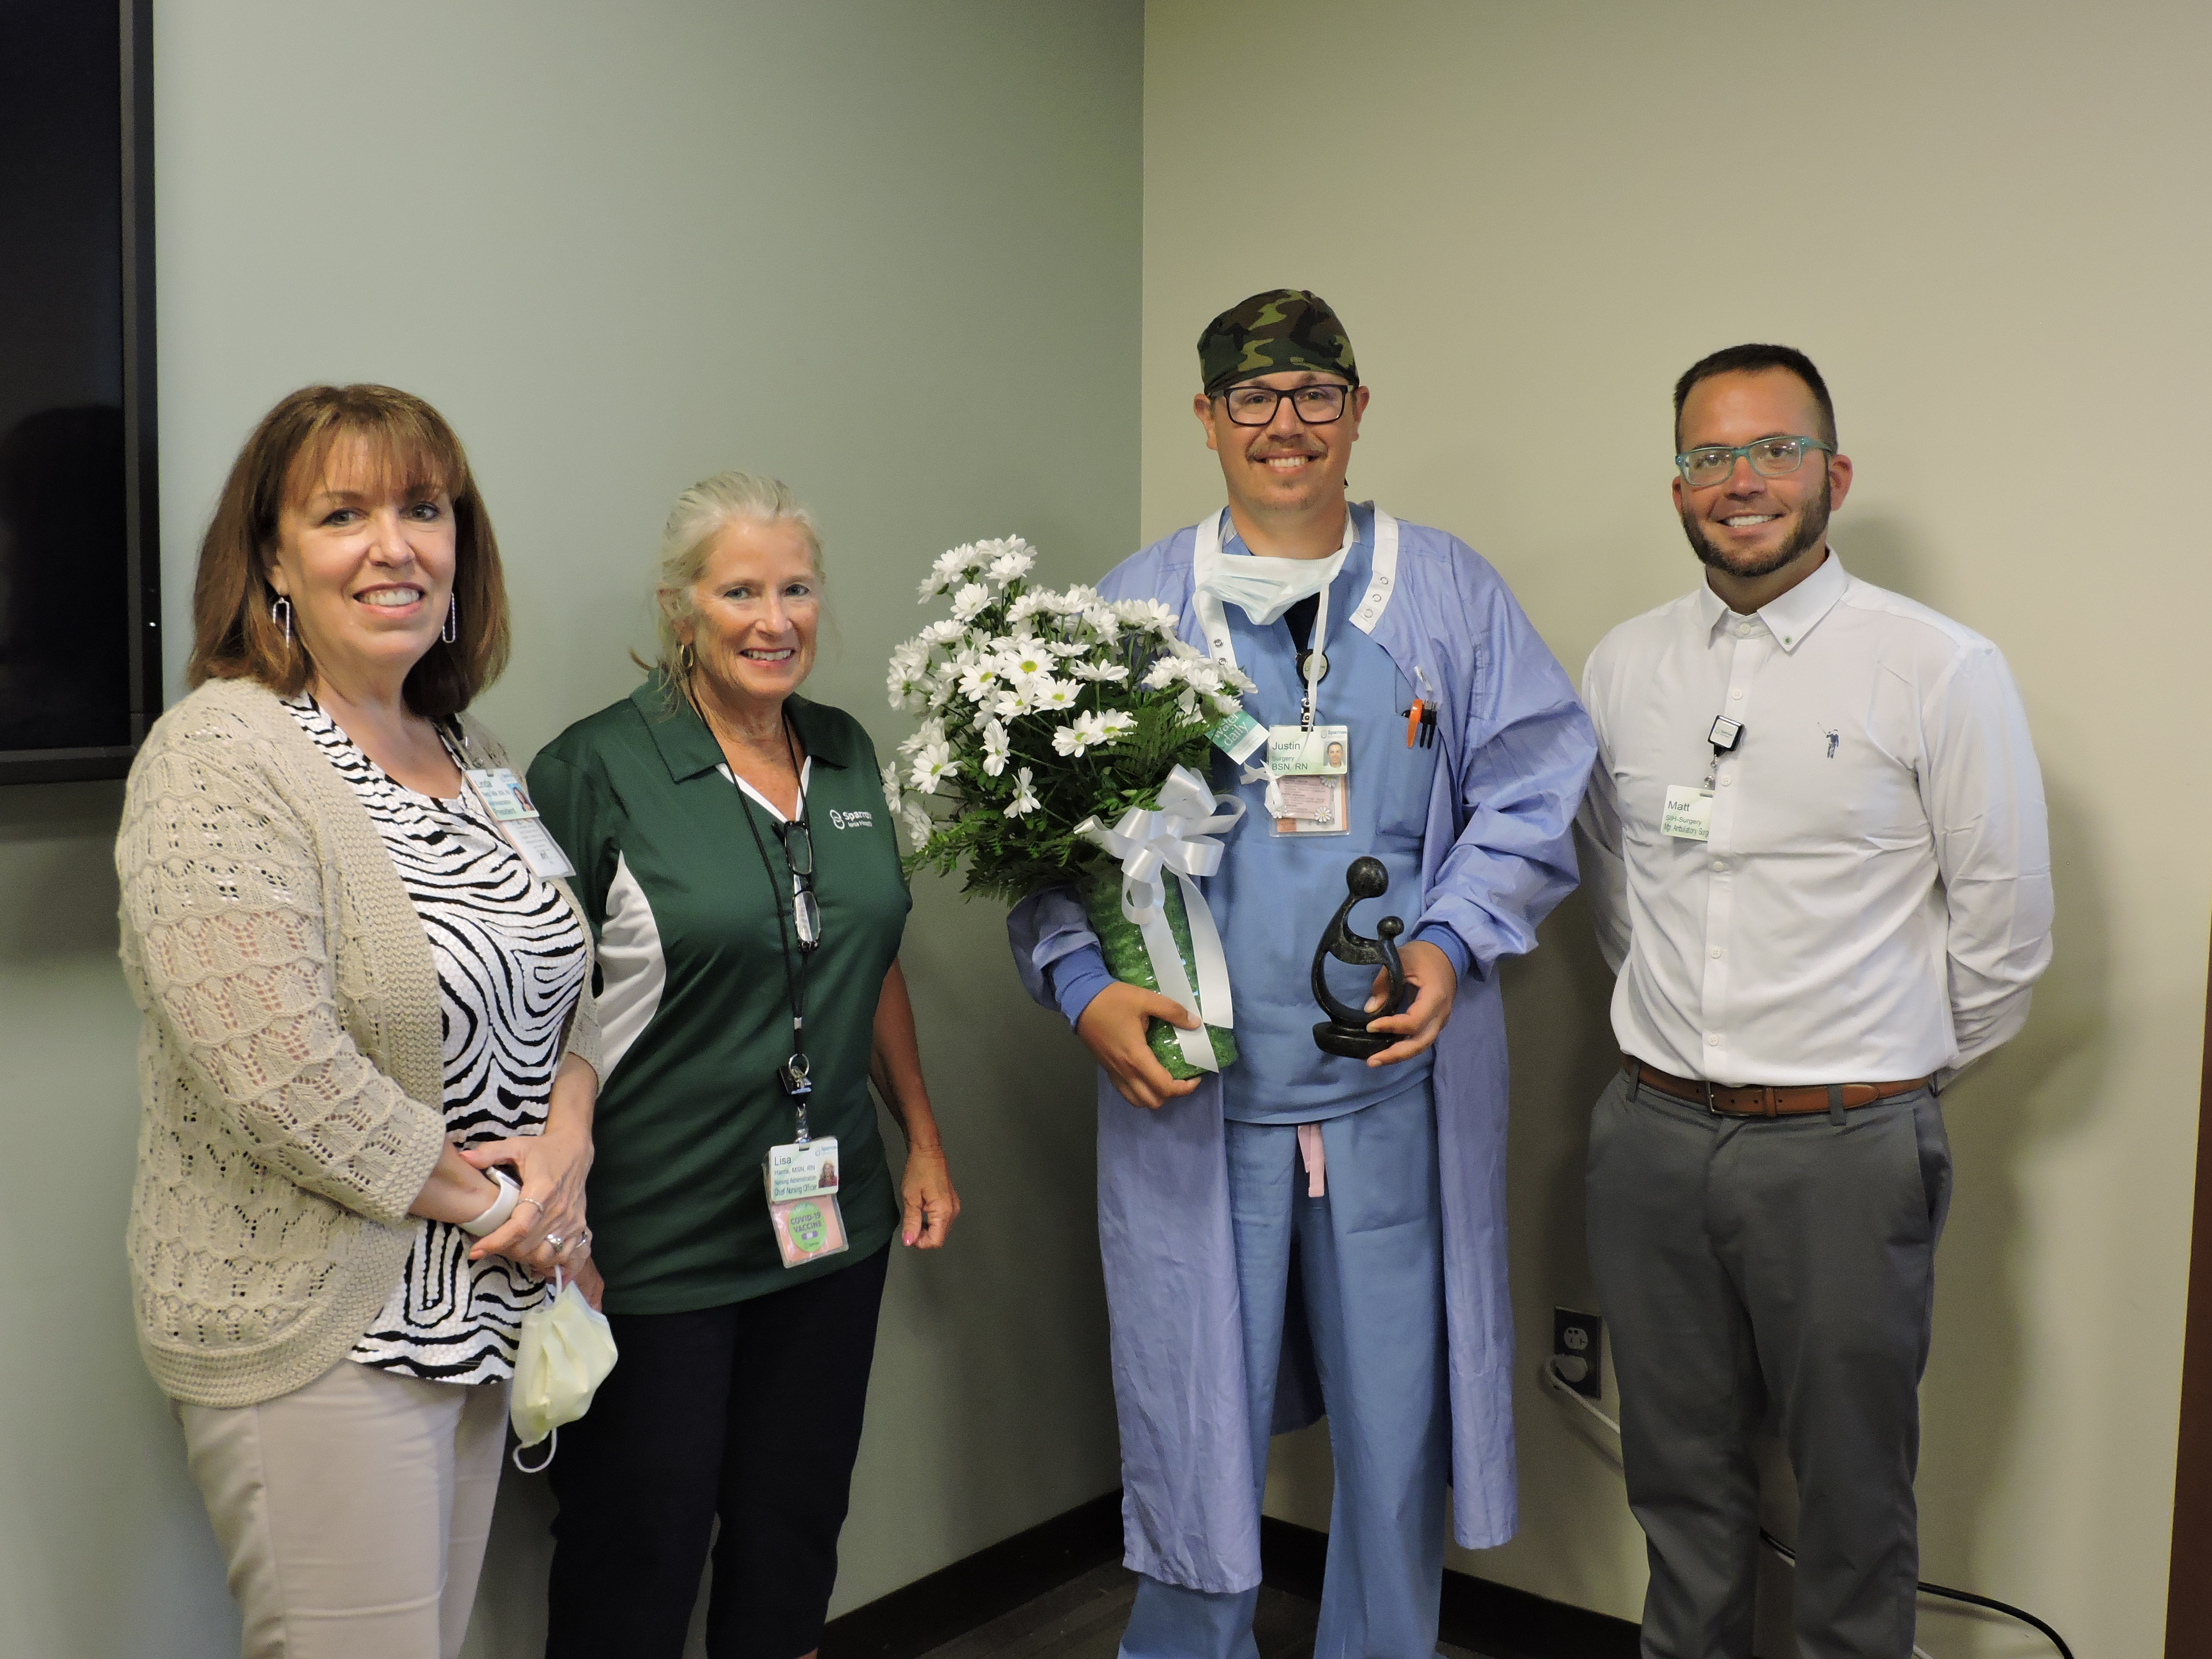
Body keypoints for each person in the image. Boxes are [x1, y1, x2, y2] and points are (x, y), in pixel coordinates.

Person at [1007, 290, 1595, 1659]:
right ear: (1207, 419)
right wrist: (1084, 988)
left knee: (1396, 1422)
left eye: (1316, 395)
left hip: (1391, 1090)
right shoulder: (1134, 607)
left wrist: (1449, 947)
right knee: (1191, 1411)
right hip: (1195, 1096)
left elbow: (1533, 788)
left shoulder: (1445, 591)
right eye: (1254, 400)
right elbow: (1041, 849)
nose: (1287, 426)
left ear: (1358, 410)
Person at [1575, 344, 2053, 1659]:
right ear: (1677, 488)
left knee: (1851, 1504)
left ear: (1832, 474)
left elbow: (2005, 938)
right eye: (1710, 456)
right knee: (1678, 1485)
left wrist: (1871, 1075)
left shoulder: (1936, 668)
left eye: (1774, 450)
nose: (1743, 481)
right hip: (1652, 1140)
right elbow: (1616, 898)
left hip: (1848, 1150)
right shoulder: (1623, 668)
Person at [117, 384, 601, 1659]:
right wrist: (502, 1209)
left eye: (424, 508)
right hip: (327, 1329)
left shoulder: (465, 745)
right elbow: (275, 1070)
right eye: (344, 514)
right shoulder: (221, 753)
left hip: (480, 1313)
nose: (397, 545)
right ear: (272, 558)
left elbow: (567, 978)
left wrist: (566, 1152)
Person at [528, 470, 961, 1659]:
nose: (775, 620)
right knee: (640, 1544)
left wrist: (919, 1136)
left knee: (794, 1530)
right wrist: (551, 1212)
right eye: (740, 591)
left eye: (797, 589)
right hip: (654, 1239)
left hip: (831, 1228)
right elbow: (533, 1007)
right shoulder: (599, 769)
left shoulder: (845, 751)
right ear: (681, 609)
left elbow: (868, 957)